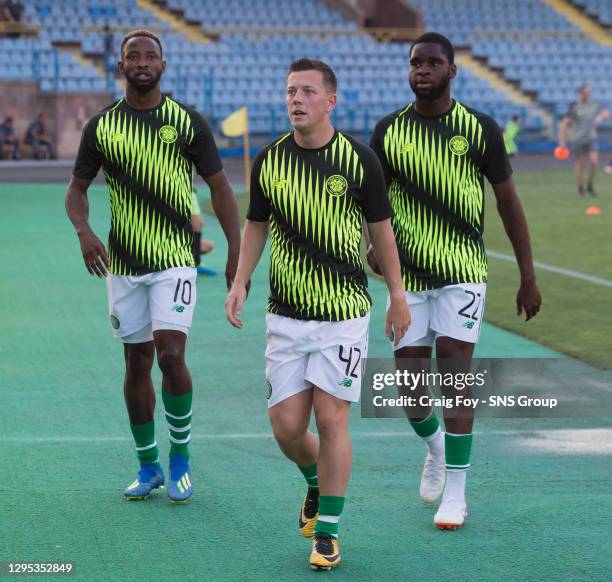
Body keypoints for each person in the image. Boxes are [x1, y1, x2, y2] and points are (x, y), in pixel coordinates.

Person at [225, 59, 410, 571]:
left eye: (307, 91)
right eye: (289, 91)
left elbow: (381, 231)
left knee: (331, 418)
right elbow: (256, 225)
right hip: (285, 316)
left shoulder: (360, 159)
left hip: (344, 313)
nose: (296, 100)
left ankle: (327, 531)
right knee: (286, 427)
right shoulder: (268, 161)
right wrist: (240, 281)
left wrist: (397, 293)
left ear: (331, 100)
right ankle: (314, 483)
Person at [369, 32, 541, 530]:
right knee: (408, 383)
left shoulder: (479, 129)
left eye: (433, 62)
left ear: (452, 71)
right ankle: (436, 449)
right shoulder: (388, 131)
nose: (423, 69)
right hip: (409, 278)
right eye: (415, 62)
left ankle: (458, 493)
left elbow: (508, 204)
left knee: (456, 368)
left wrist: (527, 276)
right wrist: (368, 248)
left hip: (463, 270)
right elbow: (374, 205)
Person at [65, 29, 241, 503]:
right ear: (121, 67)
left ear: (163, 66)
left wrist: (235, 251)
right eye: (132, 56)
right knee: (136, 360)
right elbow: (76, 190)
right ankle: (148, 466)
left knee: (170, 355)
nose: (142, 62)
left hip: (175, 261)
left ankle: (180, 456)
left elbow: (220, 187)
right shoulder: (102, 127)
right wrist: (85, 233)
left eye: (150, 56)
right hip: (123, 264)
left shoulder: (186, 121)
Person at [558, 84, 610, 196]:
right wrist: (562, 142)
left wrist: (603, 116)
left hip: (591, 138)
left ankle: (590, 186)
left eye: (589, 92)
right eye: (586, 92)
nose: (588, 94)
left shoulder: (593, 104)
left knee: (594, 162)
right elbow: (564, 123)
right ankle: (581, 189)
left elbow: (605, 113)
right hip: (578, 140)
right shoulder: (575, 106)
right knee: (580, 165)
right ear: (581, 93)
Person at [190, 187, 216, 275]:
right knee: (197, 223)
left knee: (209, 245)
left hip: (189, 189)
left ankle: (194, 261)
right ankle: (196, 263)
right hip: (182, 187)